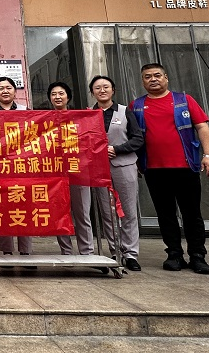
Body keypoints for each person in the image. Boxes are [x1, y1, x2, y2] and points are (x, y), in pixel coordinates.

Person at [131, 63, 209, 275]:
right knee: (165, 214)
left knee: (192, 214)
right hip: (154, 169)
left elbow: (202, 127)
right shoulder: (137, 105)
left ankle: (197, 256)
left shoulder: (184, 100)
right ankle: (174, 254)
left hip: (185, 167)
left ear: (166, 78)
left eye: (157, 75)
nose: (153, 79)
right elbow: (132, 136)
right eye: (147, 76)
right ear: (142, 81)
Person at [90, 75, 144, 272]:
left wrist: (118, 149)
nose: (102, 90)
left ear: (113, 90)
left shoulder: (125, 111)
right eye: (97, 88)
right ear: (92, 92)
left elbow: (138, 139)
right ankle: (115, 251)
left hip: (124, 165)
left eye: (106, 87)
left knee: (128, 211)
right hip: (99, 168)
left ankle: (130, 253)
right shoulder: (88, 114)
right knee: (107, 212)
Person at [49, 81, 95, 259]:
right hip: (55, 173)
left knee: (82, 213)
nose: (57, 97)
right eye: (54, 94)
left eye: (61, 93)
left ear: (68, 97)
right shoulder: (44, 119)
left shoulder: (79, 118)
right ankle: (66, 252)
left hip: (78, 171)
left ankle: (87, 252)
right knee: (60, 213)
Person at [0, 77, 34, 260]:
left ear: (15, 91)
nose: (5, 91)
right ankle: (6, 251)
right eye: (1, 88)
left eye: (8, 87)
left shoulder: (26, 112)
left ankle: (25, 251)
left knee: (24, 208)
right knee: (3, 209)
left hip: (22, 167)